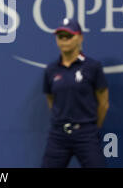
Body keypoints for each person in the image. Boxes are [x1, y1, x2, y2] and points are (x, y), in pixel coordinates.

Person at [41, 18, 109, 168]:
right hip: (58, 135)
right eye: (61, 37)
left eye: (69, 36)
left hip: (86, 134)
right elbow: (51, 99)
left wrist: (91, 127)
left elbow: (103, 102)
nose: (64, 41)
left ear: (80, 37)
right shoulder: (51, 70)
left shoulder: (92, 67)